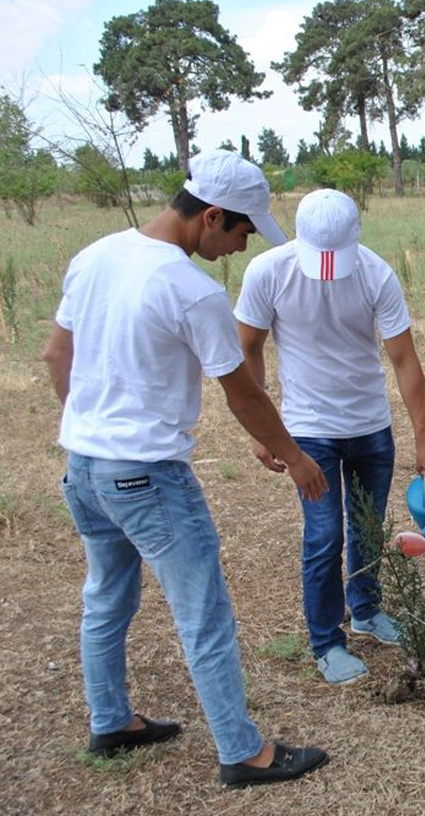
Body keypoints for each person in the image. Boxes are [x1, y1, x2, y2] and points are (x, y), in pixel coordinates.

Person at [41, 149, 330, 788]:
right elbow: (244, 393)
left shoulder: (95, 256)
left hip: (86, 468)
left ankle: (111, 720)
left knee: (106, 597)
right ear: (212, 216)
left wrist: (89, 425)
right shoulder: (190, 288)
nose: (239, 248)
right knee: (204, 612)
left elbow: (56, 352)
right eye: (241, 233)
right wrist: (295, 455)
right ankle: (243, 752)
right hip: (148, 478)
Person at [235, 188, 425, 686]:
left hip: (370, 425)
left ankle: (367, 609)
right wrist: (261, 428)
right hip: (309, 432)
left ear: (357, 237)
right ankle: (327, 641)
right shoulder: (268, 272)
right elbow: (248, 348)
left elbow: (404, 359)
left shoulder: (376, 274)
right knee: (325, 535)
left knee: (368, 527)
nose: (328, 268)